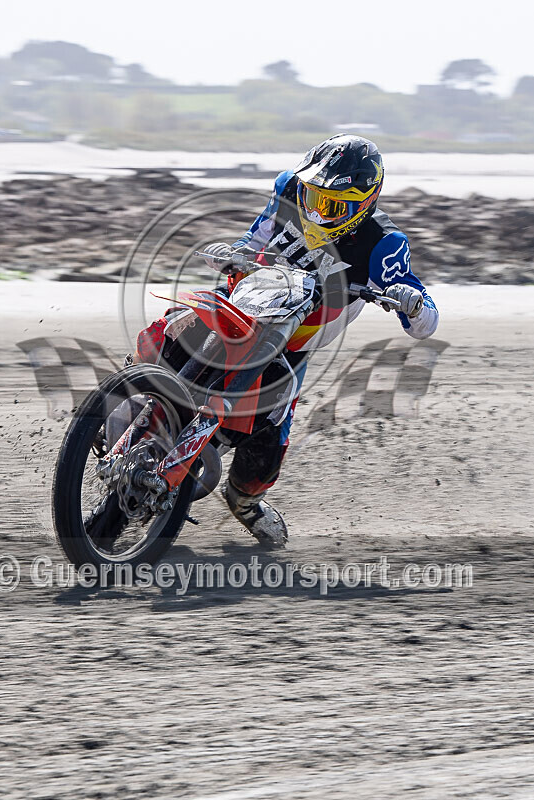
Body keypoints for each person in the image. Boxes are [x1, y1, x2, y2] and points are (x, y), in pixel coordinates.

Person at [132, 135, 439, 548]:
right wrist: (235, 253)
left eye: (331, 204)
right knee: (169, 330)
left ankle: (245, 503)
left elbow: (427, 323)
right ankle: (119, 401)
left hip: (289, 343)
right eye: (312, 195)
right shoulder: (288, 190)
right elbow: (256, 240)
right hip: (240, 306)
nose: (315, 209)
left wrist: (413, 303)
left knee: (266, 443)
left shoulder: (383, 243)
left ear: (363, 203)